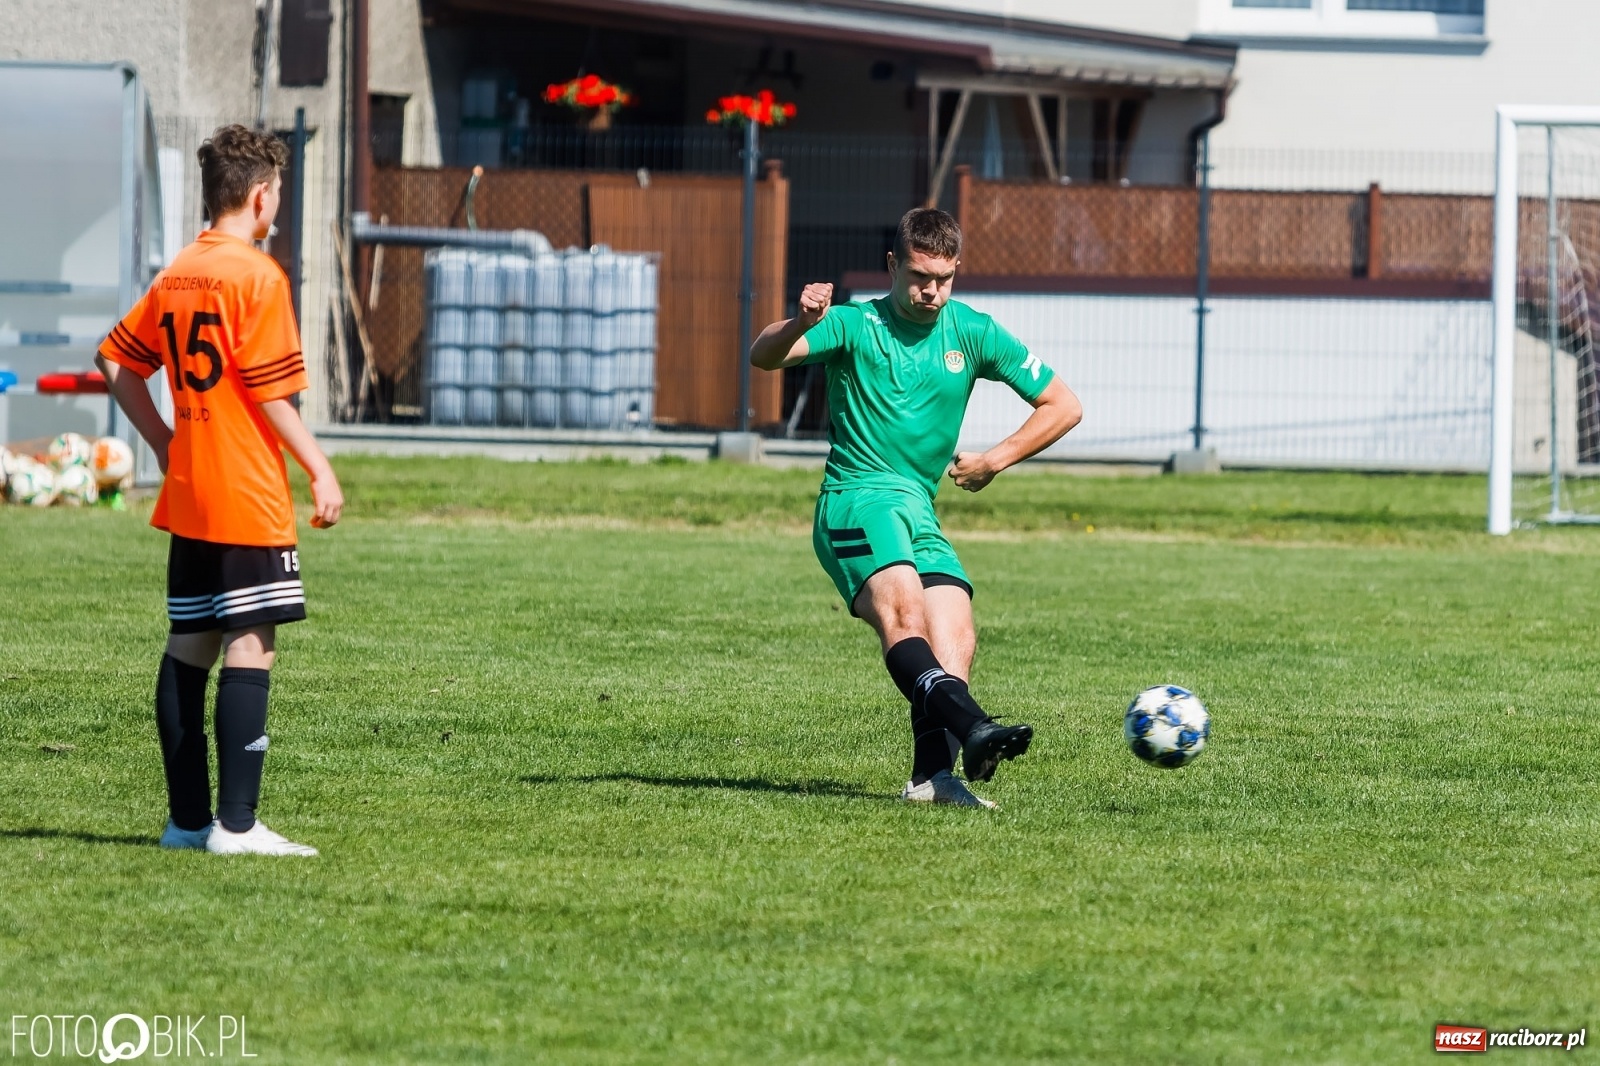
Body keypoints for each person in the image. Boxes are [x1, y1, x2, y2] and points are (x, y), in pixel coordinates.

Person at [750, 208, 1082, 808]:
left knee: (956, 634)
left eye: (943, 278)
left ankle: (933, 779)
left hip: (918, 511)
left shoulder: (973, 332)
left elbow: (1063, 404)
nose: (931, 290)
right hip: (856, 499)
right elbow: (764, 356)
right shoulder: (852, 324)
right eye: (918, 276)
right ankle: (976, 727)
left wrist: (995, 460)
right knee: (905, 617)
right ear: (892, 266)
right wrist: (799, 320)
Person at [96, 124, 343, 855]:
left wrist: (169, 446)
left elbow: (116, 362)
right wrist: (318, 466)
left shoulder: (178, 272)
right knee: (251, 643)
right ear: (262, 196)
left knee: (189, 647)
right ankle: (236, 826)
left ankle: (184, 822)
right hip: (246, 492)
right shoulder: (258, 277)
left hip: (192, 491)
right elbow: (271, 396)